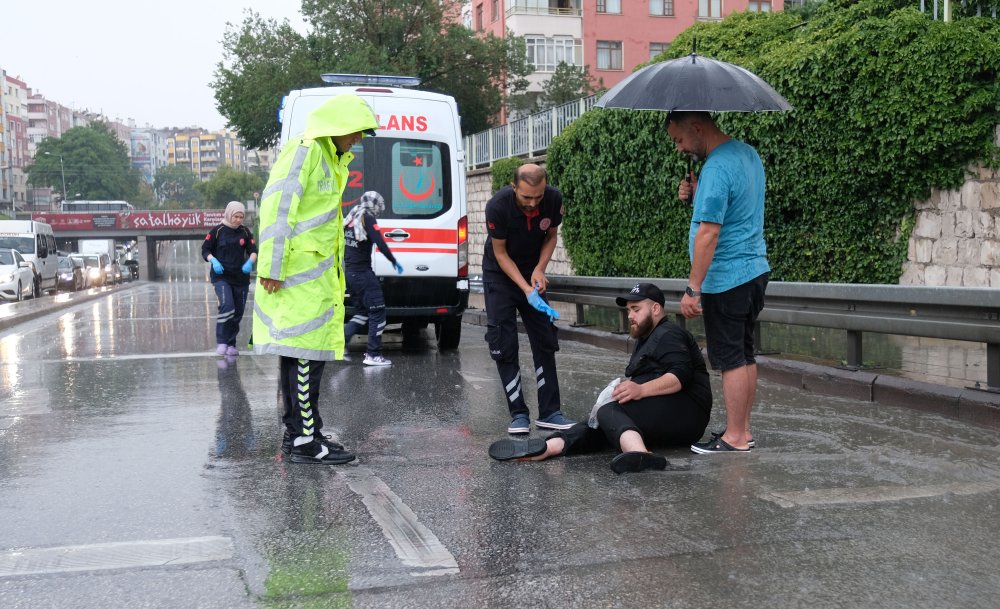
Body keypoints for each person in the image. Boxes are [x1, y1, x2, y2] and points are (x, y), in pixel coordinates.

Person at [252, 92, 378, 465]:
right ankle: (307, 439)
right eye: (355, 132)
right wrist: (272, 267)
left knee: (299, 357)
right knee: (306, 358)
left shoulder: (329, 158)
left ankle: (299, 433)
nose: (357, 140)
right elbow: (278, 207)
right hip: (297, 279)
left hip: (313, 278)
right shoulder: (307, 151)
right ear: (337, 127)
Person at [488, 283, 712, 473]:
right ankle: (550, 447)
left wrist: (640, 390)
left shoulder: (669, 333)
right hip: (670, 413)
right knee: (599, 422)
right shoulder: (646, 339)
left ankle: (641, 455)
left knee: (610, 411)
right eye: (628, 311)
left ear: (655, 309)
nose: (630, 315)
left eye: (636, 309)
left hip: (689, 412)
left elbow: (679, 377)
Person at [666, 111, 770, 454]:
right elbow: (737, 206)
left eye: (679, 140)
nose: (680, 149)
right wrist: (698, 194)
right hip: (754, 269)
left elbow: (709, 231)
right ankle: (743, 431)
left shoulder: (715, 168)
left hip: (726, 277)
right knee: (743, 352)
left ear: (697, 128)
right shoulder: (747, 154)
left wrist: (693, 287)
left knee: (729, 358)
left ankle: (736, 437)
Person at [483, 163, 575, 435]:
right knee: (504, 342)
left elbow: (551, 235)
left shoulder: (554, 199)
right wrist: (525, 288)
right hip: (501, 275)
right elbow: (500, 254)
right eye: (526, 197)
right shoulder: (497, 207)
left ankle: (550, 412)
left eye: (538, 196)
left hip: (532, 272)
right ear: (514, 188)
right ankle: (518, 414)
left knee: (545, 338)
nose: (533, 203)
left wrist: (539, 269)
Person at [343, 190, 403, 366]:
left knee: (362, 312)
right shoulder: (367, 218)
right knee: (378, 311)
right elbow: (380, 242)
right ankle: (373, 354)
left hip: (350, 274)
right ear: (374, 205)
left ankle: (341, 344)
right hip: (362, 274)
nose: (380, 209)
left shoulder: (352, 215)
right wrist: (393, 261)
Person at [202, 201, 257, 357]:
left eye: (241, 217)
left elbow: (253, 250)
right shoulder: (217, 231)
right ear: (229, 214)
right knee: (227, 306)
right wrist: (213, 260)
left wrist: (250, 262)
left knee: (238, 312)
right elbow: (205, 249)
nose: (238, 220)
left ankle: (231, 344)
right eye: (236, 216)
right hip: (222, 277)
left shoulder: (245, 232)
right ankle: (222, 341)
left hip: (241, 278)